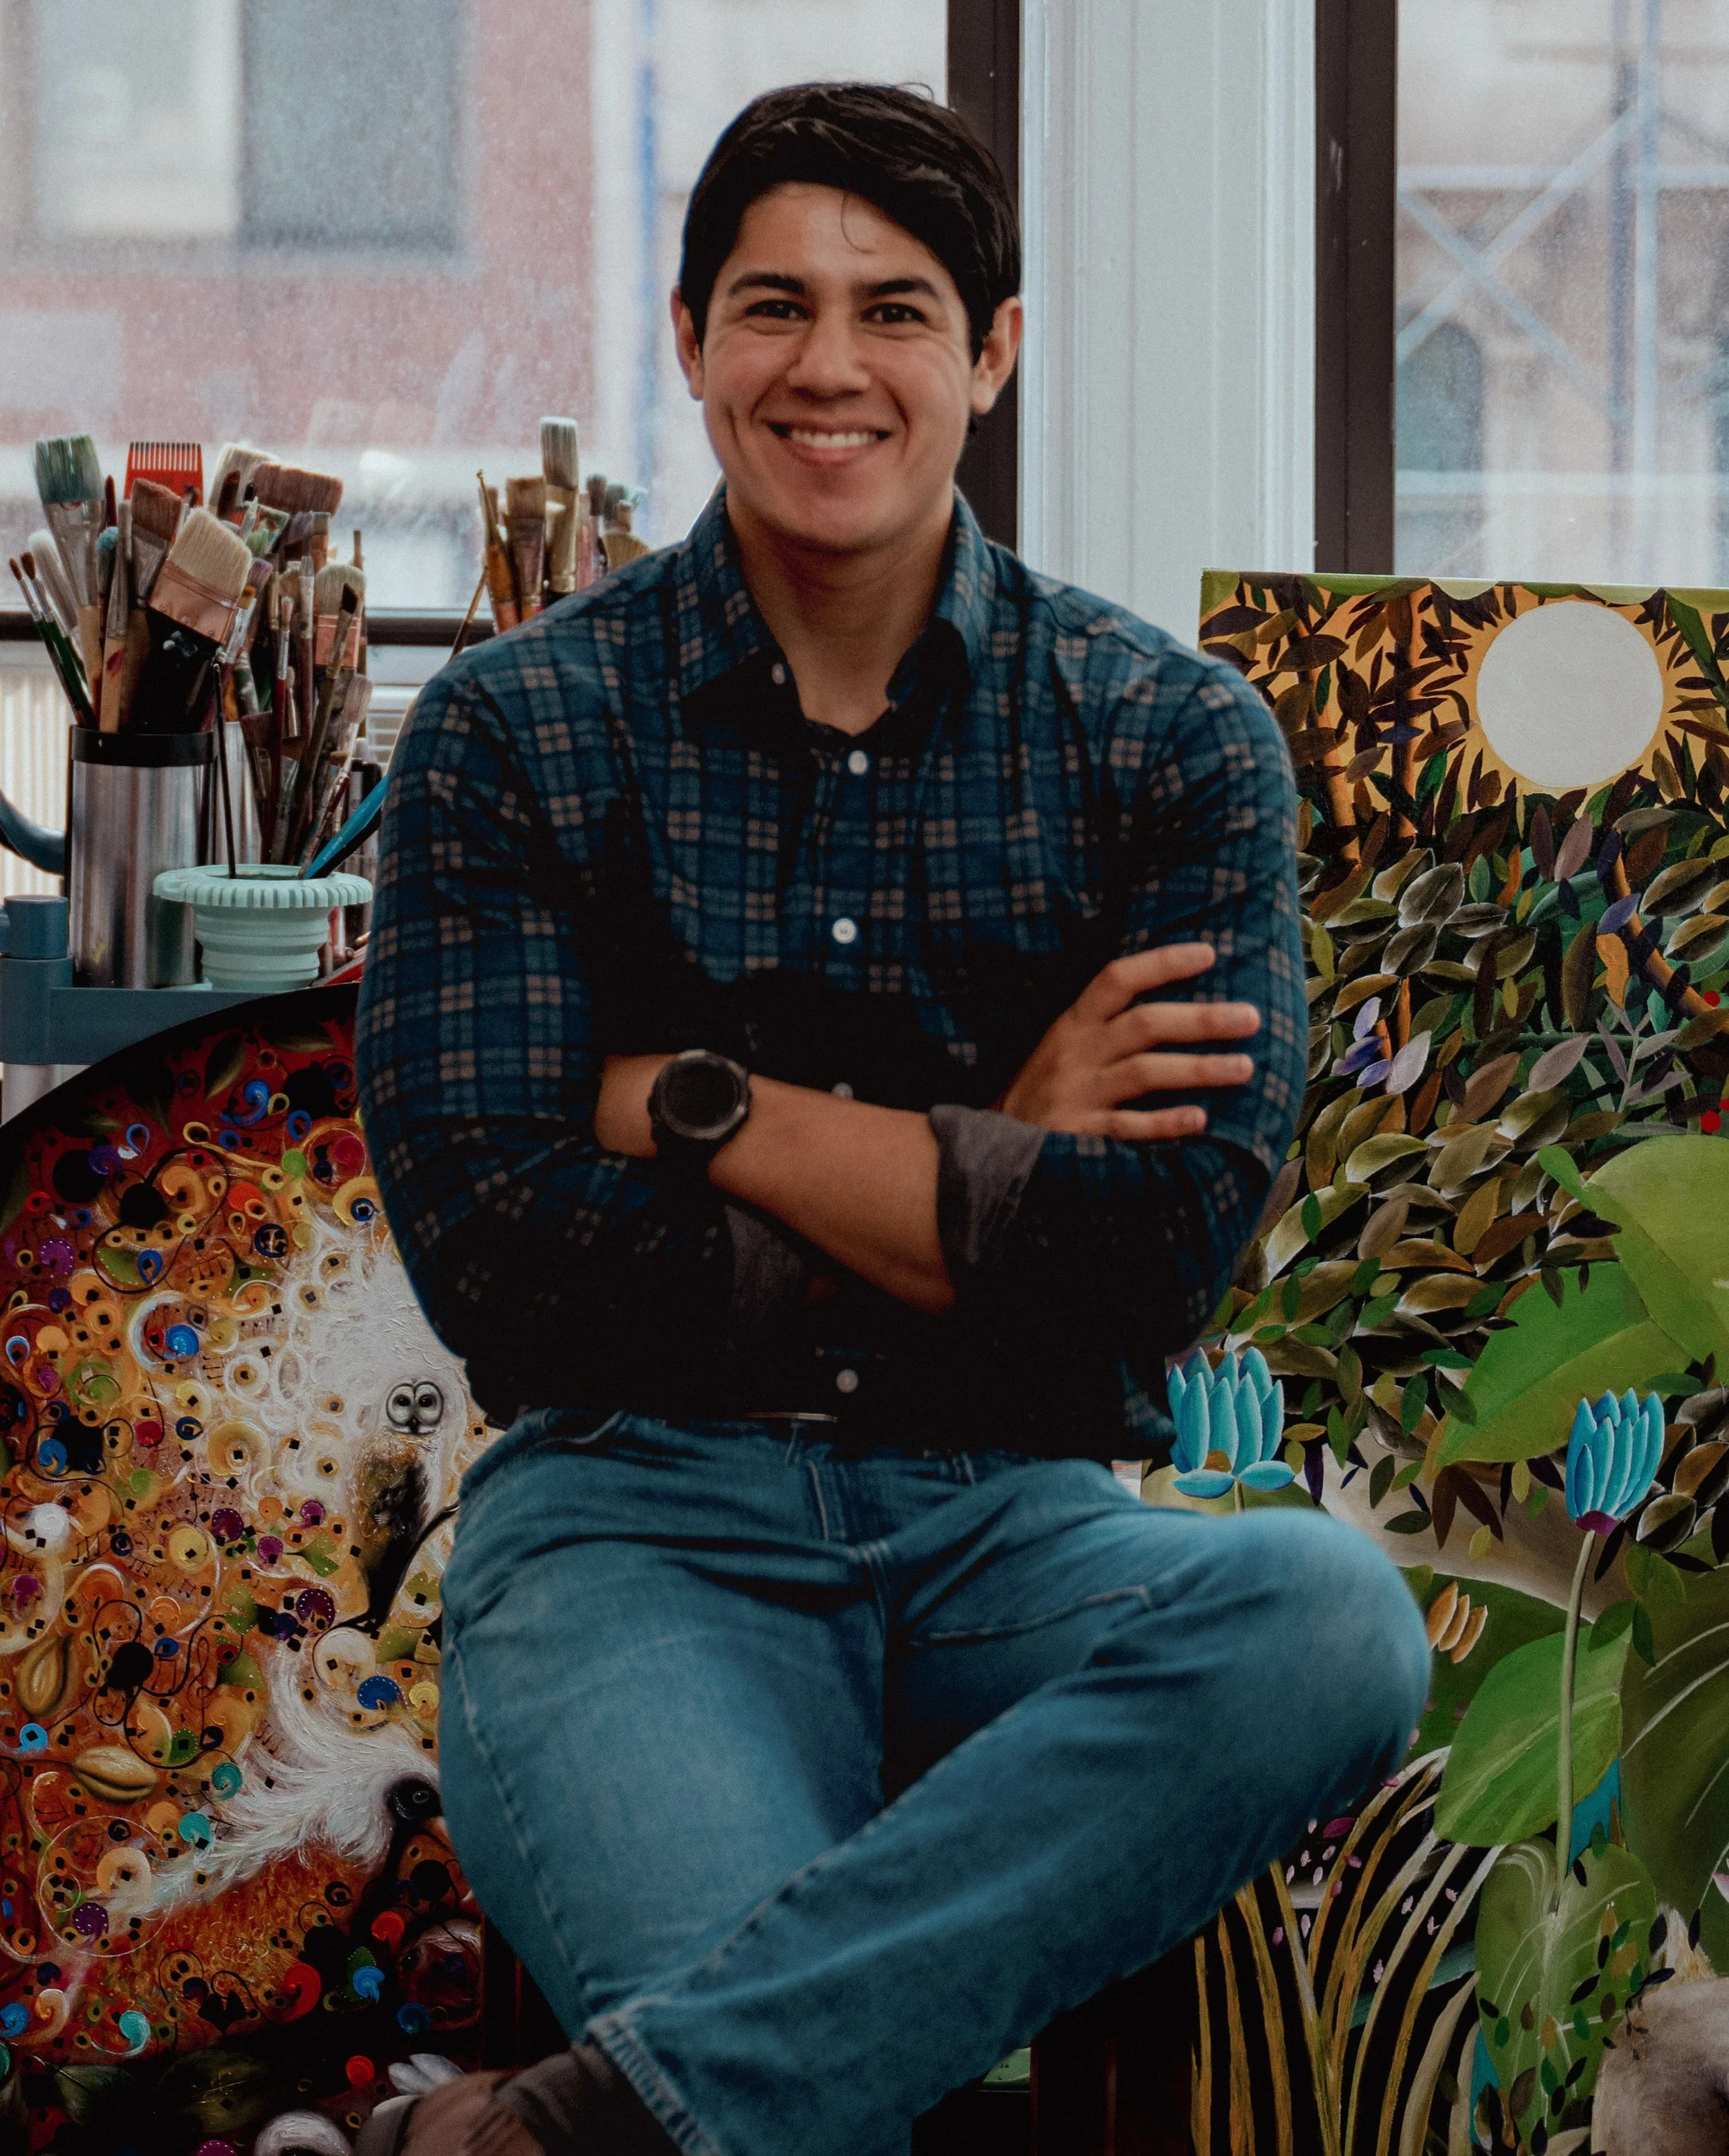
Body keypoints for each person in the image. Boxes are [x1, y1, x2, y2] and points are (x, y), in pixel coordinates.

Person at [354, 80, 1430, 2156]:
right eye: (773, 306)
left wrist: (693, 1106)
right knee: (789, 2094)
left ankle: (534, 2132)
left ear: (992, 351)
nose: (828, 367)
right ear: (691, 342)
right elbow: (509, 1265)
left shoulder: (1167, 738)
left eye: (897, 310)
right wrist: (986, 1151)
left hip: (1016, 1525)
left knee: (1323, 1620)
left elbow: (1151, 1263)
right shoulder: (512, 731)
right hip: (635, 1527)